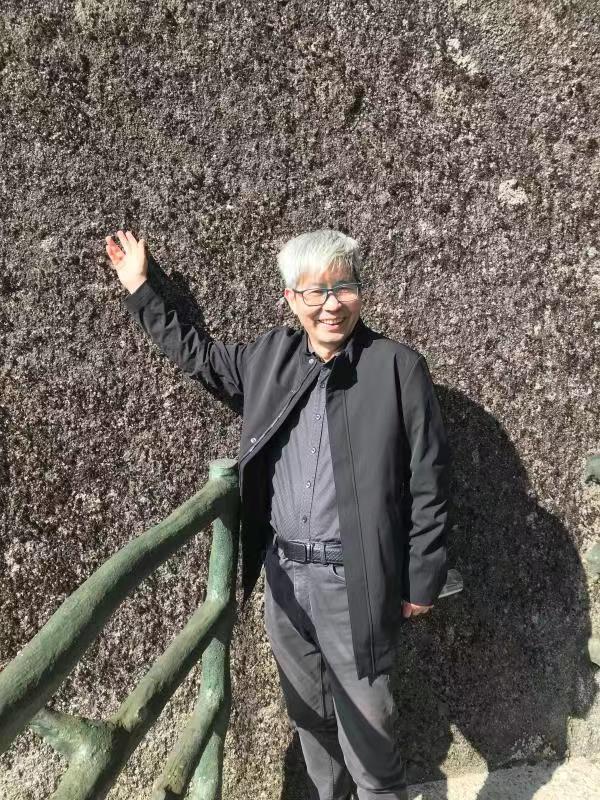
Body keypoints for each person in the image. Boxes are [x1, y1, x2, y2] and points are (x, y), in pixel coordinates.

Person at [105, 228, 450, 800]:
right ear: (291, 298)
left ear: (360, 292)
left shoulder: (397, 368)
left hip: (355, 579)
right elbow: (199, 357)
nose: (331, 304)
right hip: (284, 577)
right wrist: (141, 288)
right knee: (309, 713)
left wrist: (421, 578)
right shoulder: (270, 358)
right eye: (314, 292)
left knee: (370, 727)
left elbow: (429, 479)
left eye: (343, 288)